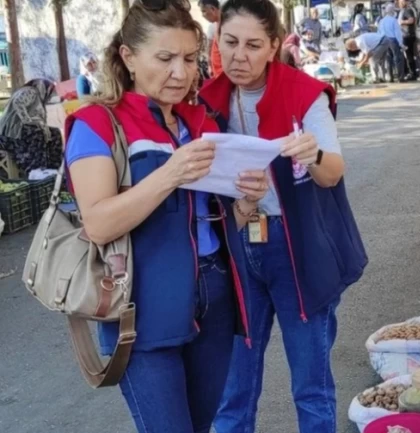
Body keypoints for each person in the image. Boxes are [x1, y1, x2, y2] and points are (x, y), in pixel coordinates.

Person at [63, 1, 268, 431]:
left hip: (214, 298)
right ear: (128, 57)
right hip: (142, 308)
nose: (181, 73)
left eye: (190, 59)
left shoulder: (199, 121)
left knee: (202, 423)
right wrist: (170, 174)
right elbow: (98, 223)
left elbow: (211, 218)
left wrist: (245, 203)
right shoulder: (98, 124)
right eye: (165, 58)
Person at [200, 1, 367, 433]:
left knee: (310, 387)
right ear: (217, 40)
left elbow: (332, 174)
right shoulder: (206, 102)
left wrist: (312, 153)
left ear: (274, 45)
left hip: (298, 253)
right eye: (231, 42)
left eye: (254, 45)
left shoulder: (303, 95)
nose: (240, 56)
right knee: (232, 389)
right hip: (238, 250)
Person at [378, 4, 406, 82]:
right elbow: (397, 33)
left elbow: (379, 32)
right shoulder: (394, 20)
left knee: (388, 59)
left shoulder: (381, 21)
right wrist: (401, 43)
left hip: (384, 40)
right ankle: (401, 78)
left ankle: (390, 78)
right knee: (398, 58)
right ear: (392, 11)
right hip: (393, 40)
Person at [199, 0, 223, 76]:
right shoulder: (216, 25)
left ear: (213, 9)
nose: (203, 15)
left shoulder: (225, 26)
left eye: (204, 11)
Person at [398, 0, 420, 80]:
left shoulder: (407, 10)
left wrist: (402, 22)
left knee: (409, 55)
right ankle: (412, 72)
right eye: (400, 2)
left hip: (408, 36)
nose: (400, 3)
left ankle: (412, 73)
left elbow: (411, 20)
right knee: (409, 55)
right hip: (405, 35)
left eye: (402, 2)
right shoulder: (403, 11)